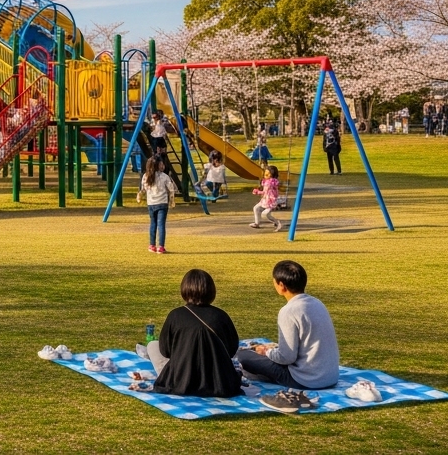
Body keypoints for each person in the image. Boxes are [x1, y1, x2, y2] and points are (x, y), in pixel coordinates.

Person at [235, 260, 340, 391]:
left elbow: (286, 358)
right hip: (330, 377)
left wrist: (266, 352)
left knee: (243, 356)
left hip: (306, 380)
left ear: (281, 285)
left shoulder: (289, 311)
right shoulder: (317, 303)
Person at [145, 269, 242, 398]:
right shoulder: (221, 316)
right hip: (219, 382)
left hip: (181, 381)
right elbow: (231, 350)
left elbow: (165, 351)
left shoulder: (175, 315)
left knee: (152, 345)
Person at [142, 157, 173, 254]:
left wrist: (139, 195)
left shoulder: (146, 176)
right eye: (161, 164)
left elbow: (143, 189)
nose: (163, 166)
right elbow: (171, 189)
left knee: (153, 224)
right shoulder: (164, 176)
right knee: (161, 225)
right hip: (162, 203)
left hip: (151, 203)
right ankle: (161, 247)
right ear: (157, 165)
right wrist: (172, 200)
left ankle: (152, 245)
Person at [251, 165, 283, 231]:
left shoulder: (271, 182)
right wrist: (257, 192)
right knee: (256, 208)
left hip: (270, 201)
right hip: (265, 200)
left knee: (265, 214)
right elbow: (265, 192)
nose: (266, 175)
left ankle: (278, 223)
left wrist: (258, 192)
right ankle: (257, 223)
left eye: (268, 173)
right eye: (265, 173)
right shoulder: (266, 182)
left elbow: (266, 191)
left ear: (272, 174)